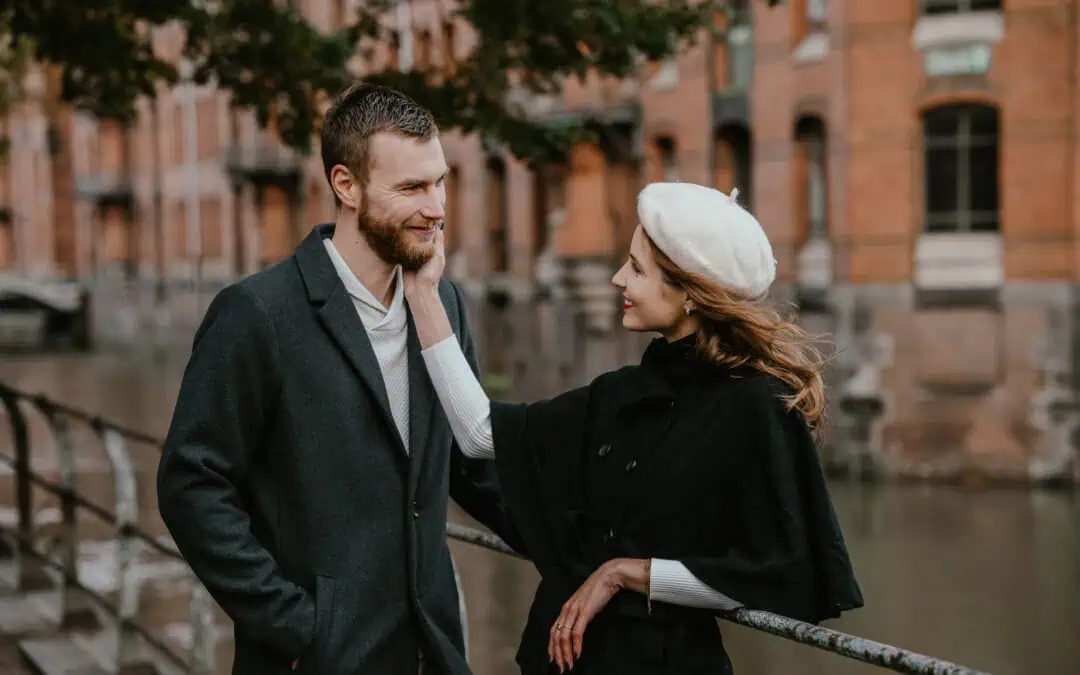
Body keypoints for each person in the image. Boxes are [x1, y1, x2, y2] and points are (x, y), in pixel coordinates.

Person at [404, 182, 864, 674]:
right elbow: (479, 435)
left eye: (638, 269)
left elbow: (780, 571)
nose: (619, 279)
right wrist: (423, 293)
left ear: (690, 293)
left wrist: (628, 573)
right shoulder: (621, 393)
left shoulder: (756, 404)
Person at [156, 84, 518, 675]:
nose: (437, 207)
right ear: (345, 186)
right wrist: (294, 628)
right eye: (411, 188)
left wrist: (592, 551)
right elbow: (191, 485)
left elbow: (471, 463)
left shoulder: (442, 303)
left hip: (435, 654)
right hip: (318, 658)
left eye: (439, 181)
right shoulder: (257, 314)